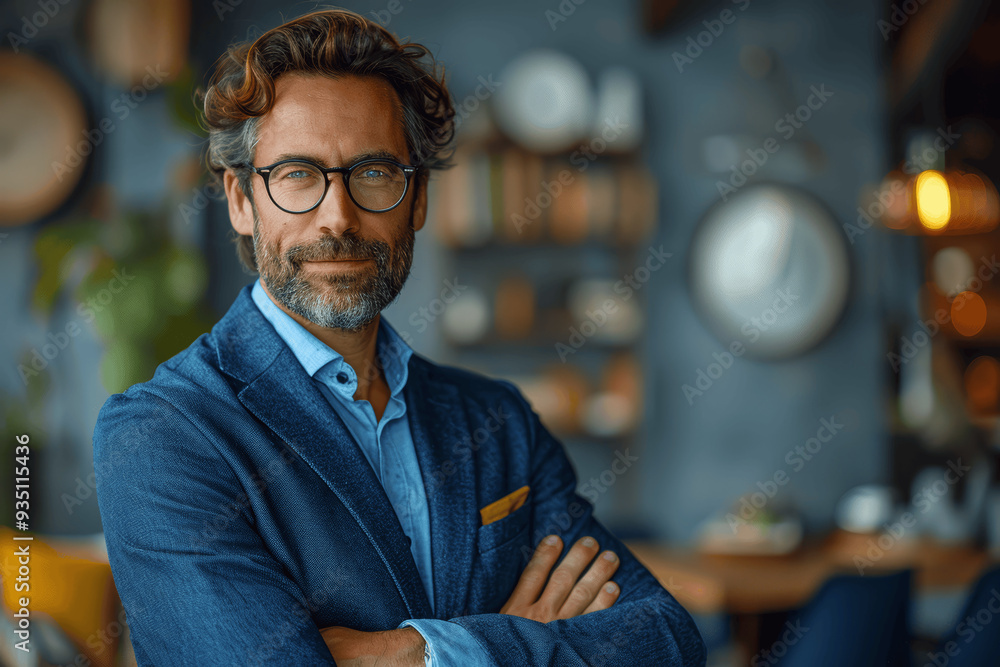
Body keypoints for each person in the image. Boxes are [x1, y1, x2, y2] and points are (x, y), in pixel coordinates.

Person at [93, 8, 706, 666]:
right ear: (241, 200)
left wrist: (422, 651)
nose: (338, 217)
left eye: (374, 173)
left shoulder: (499, 422)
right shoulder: (161, 433)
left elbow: (665, 638)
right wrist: (513, 641)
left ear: (416, 200)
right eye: (298, 174)